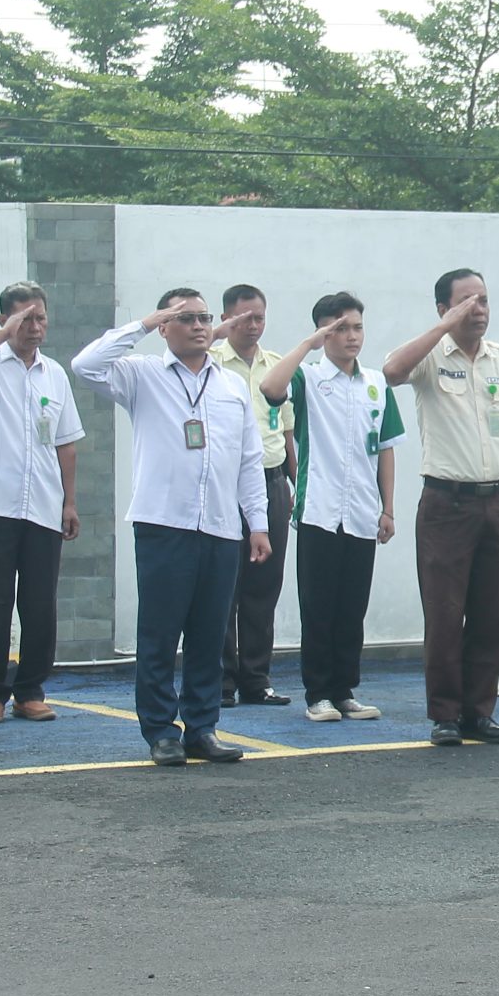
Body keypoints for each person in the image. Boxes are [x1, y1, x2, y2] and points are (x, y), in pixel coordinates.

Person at [75, 291, 271, 765]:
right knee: (160, 635)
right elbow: (85, 365)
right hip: (164, 524)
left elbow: (249, 459)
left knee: (209, 635)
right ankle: (161, 731)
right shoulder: (141, 375)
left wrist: (258, 523)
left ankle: (202, 727)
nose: (199, 325)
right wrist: (144, 323)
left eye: (204, 317)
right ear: (165, 327)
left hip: (220, 526)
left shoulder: (230, 385)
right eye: (185, 318)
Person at [382, 268, 499, 746]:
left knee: (494, 613)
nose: (479, 309)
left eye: (483, 300)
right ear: (443, 308)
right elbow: (391, 372)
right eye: (467, 301)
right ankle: (445, 715)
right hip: (447, 504)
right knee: (446, 614)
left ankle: (479, 713)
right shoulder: (431, 355)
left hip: (497, 501)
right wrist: (444, 327)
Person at [259, 292, 403, 723]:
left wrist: (388, 508)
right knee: (318, 607)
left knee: (352, 608)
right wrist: (308, 343)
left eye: (357, 327)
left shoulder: (376, 383)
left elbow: (386, 449)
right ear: (324, 332)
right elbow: (270, 388)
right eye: (340, 329)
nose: (352, 336)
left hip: (361, 512)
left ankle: (344, 690)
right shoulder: (307, 377)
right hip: (319, 511)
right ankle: (318, 693)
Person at [0, 283, 85, 725]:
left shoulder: (54, 374)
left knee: (40, 604)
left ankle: (30, 691)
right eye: (25, 319)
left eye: (40, 317)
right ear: (5, 320)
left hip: (43, 504)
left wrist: (69, 502)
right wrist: (3, 334)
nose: (35, 326)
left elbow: (66, 443)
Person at [211, 283, 296, 709]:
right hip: (224, 484)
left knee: (265, 584)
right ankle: (221, 680)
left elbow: (287, 432)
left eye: (259, 317)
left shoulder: (277, 366)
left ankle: (256, 678)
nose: (253, 325)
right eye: (244, 318)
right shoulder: (209, 362)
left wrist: (294, 484)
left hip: (271, 481)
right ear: (226, 319)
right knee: (223, 584)